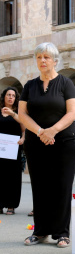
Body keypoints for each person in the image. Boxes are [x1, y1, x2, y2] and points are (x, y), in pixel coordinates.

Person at [18, 42, 75, 248]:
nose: (42, 61)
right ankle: (41, 231)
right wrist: (40, 132)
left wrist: (53, 130)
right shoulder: (29, 86)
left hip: (64, 140)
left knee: (62, 185)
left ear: (55, 60)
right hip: (36, 142)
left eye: (46, 57)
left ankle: (62, 233)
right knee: (40, 186)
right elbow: (22, 114)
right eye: (38, 57)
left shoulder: (66, 83)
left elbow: (73, 112)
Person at [0, 87, 25, 215]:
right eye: (8, 95)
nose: (11, 97)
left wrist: (23, 138)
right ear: (4, 96)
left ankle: (11, 205)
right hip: (0, 149)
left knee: (12, 177)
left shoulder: (18, 112)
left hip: (13, 149)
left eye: (13, 96)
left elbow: (24, 127)